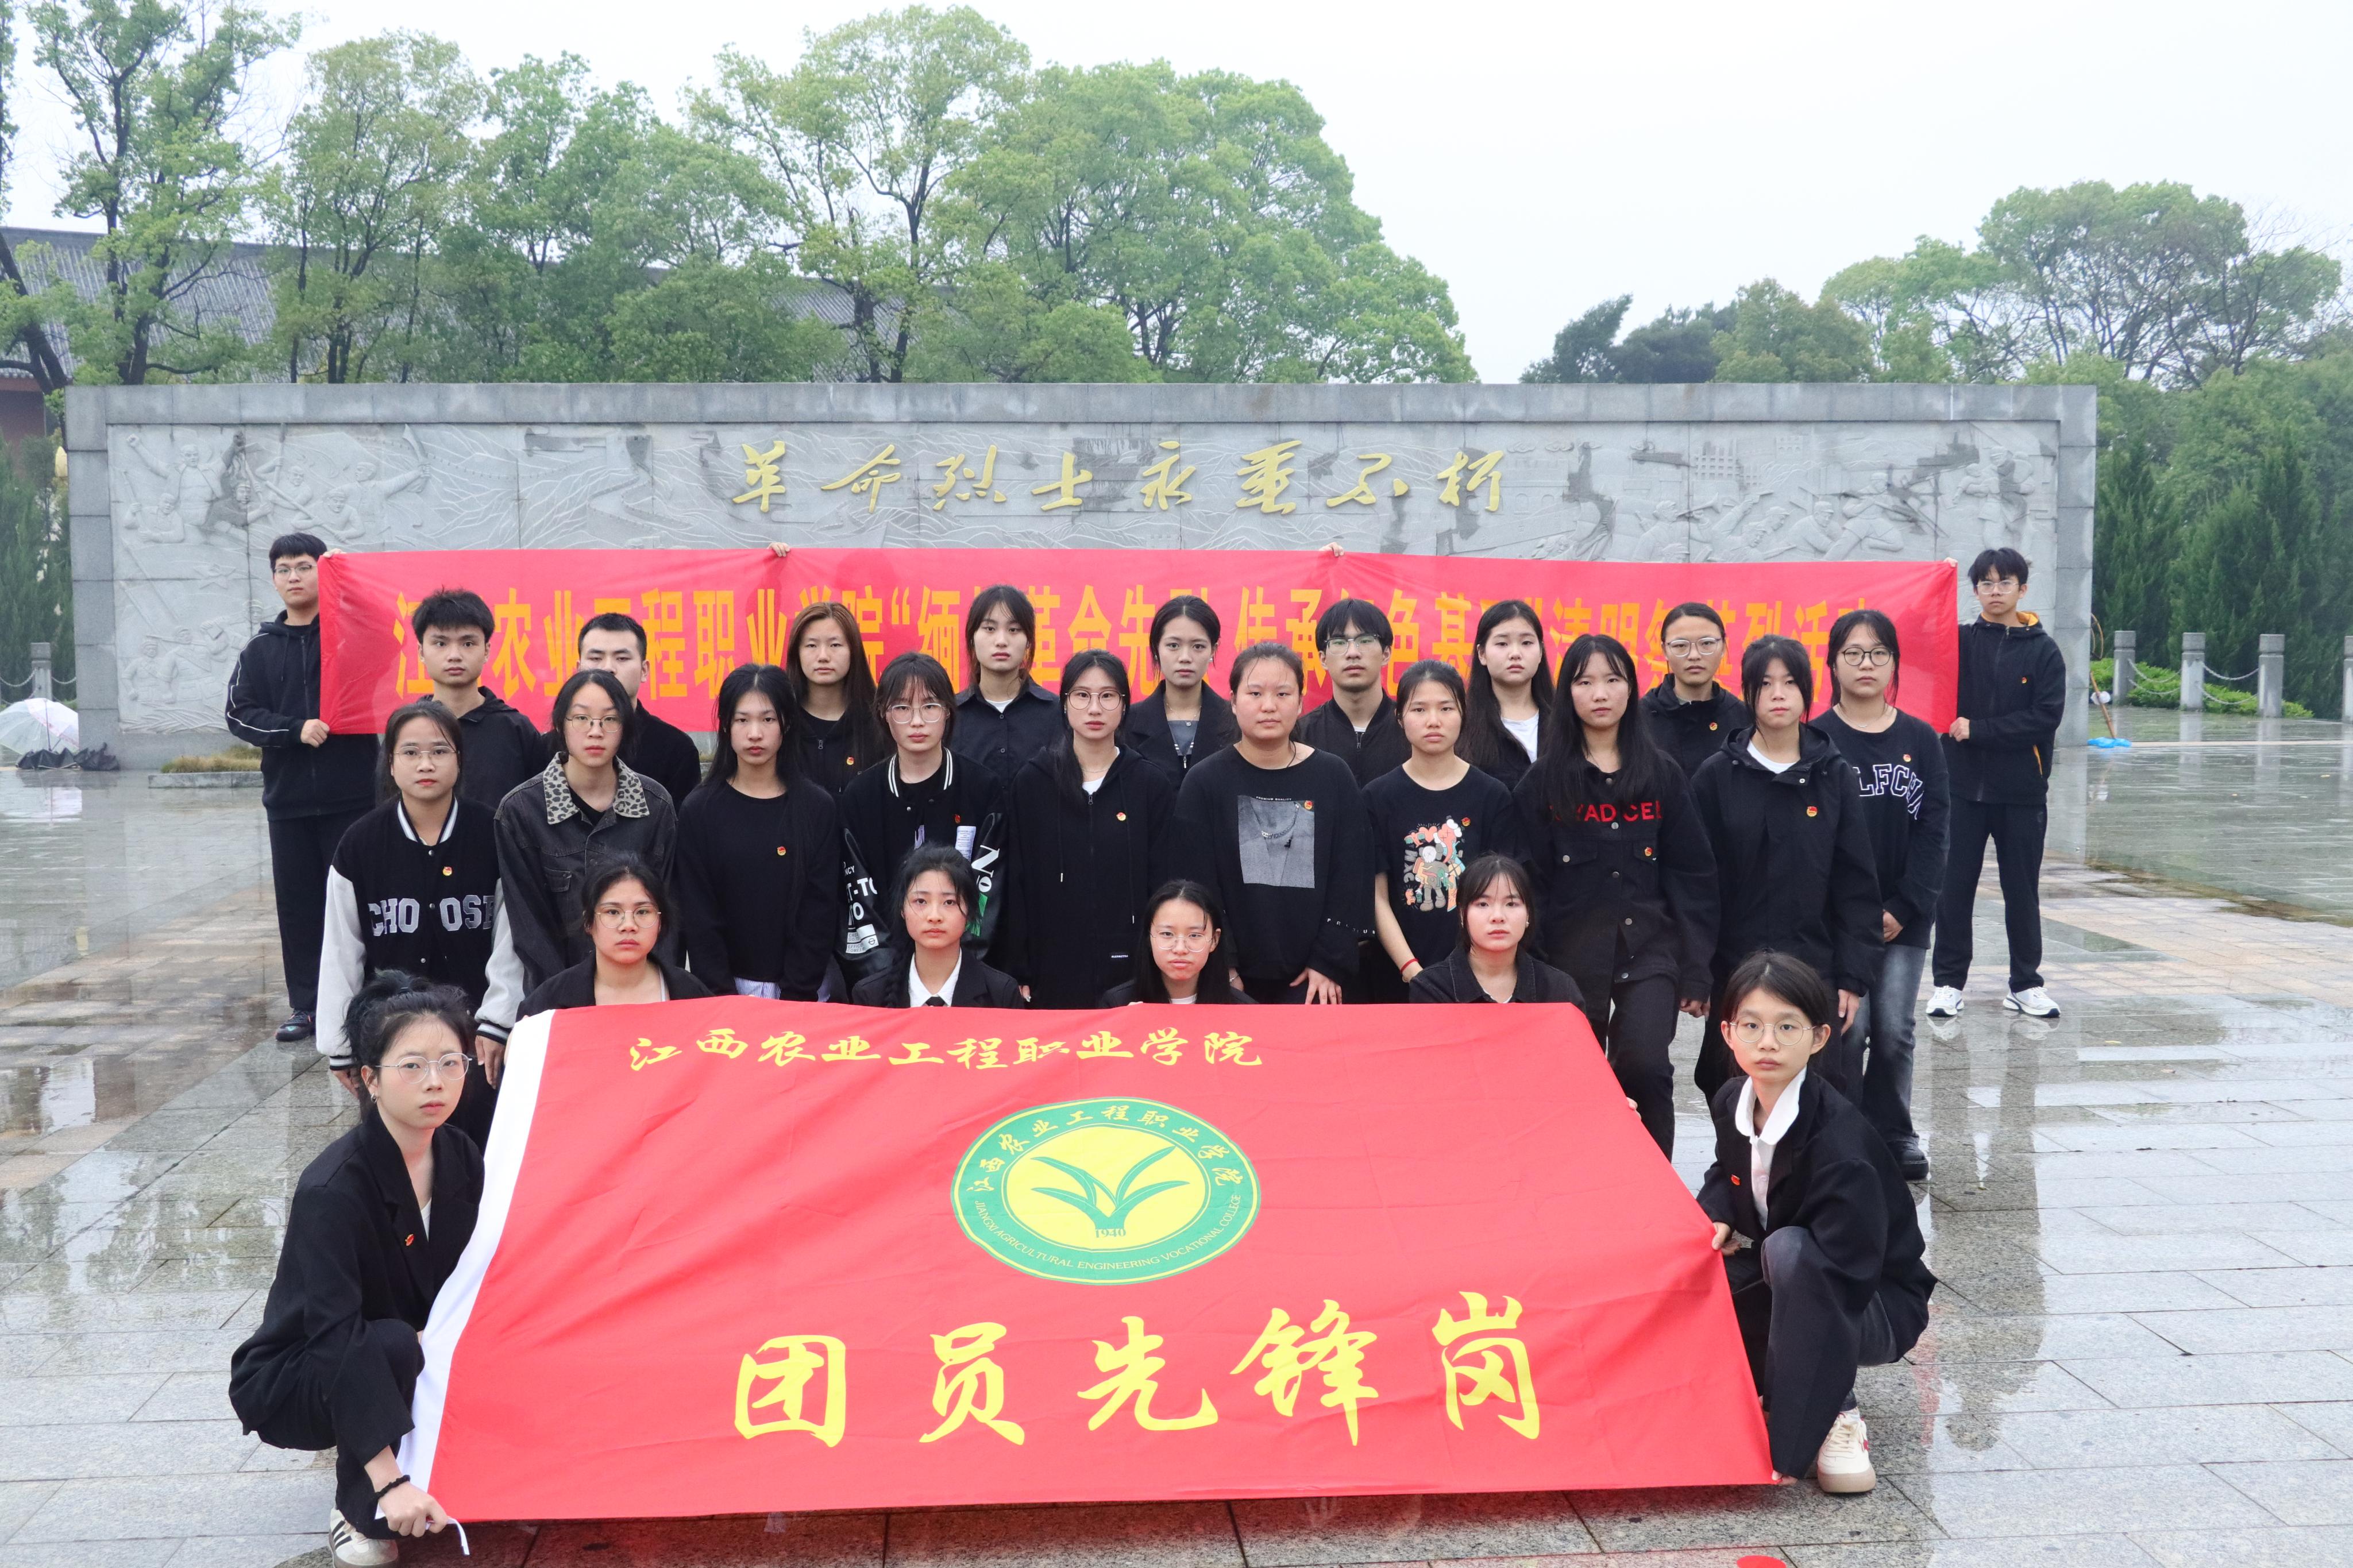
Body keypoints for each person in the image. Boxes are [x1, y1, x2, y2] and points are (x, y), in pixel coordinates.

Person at [230, 974, 481, 1566]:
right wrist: (390, 1482)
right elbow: (337, 1336)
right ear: (369, 1079)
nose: (436, 1082)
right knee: (389, 1343)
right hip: (302, 1370)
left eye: (451, 1063)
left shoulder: (461, 1154)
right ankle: (358, 1505)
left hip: (401, 1342)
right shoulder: (333, 1189)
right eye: (412, 1066)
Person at [1697, 952, 1934, 1494]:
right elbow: (1725, 1170)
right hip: (1794, 1281)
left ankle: (1838, 1414)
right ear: (1728, 1033)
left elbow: (1844, 1276)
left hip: (1871, 1302)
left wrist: (1793, 1426)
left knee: (1788, 1250)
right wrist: (1716, 1214)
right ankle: (1764, 1388)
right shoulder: (1732, 1099)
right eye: (1752, 1026)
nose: (1768, 1043)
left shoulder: (1839, 1140)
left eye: (1787, 1027)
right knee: (1700, 1267)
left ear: (1820, 1038)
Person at [1517, 634, 1718, 1155]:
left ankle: (1654, 1191)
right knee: (1572, 1079)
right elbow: (1528, 883)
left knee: (1645, 1067)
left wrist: (1697, 970)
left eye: (1613, 679)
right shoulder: (1543, 783)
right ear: (1567, 693)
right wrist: (1531, 967)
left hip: (1649, 951)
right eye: (1585, 682)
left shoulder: (1662, 775)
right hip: (1566, 957)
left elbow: (1693, 878)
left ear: (1631, 688)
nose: (1600, 693)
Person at [316, 702, 526, 1146]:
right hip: (391, 1034)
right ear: (390, 763)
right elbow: (340, 948)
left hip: (475, 1039)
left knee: (480, 1150)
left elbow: (511, 938)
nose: (425, 764)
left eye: (439, 751)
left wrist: (498, 1021)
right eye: (410, 752)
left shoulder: (494, 833)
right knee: (402, 1154)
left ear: (460, 760)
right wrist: (341, 1047)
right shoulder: (360, 844)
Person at [1689, 637, 1883, 1102]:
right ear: (1748, 693)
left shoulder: (1833, 774)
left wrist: (1852, 977)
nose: (1778, 694)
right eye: (1765, 684)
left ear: (1808, 691)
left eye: (1790, 683)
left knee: (1821, 1087)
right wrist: (1697, 972)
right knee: (1734, 1084)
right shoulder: (1716, 776)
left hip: (1814, 964)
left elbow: (1855, 882)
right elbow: (1698, 885)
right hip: (1735, 966)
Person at [227, 532, 380, 1044]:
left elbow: (390, 641)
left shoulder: (347, 637)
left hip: (353, 798)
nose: (293, 577)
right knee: (299, 910)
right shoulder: (260, 650)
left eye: (305, 567)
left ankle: (371, 998)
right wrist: (294, 730)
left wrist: (349, 584)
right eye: (284, 569)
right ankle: (308, 1006)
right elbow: (239, 713)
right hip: (289, 804)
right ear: (274, 580)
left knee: (359, 902)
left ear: (323, 572)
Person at [1819, 610, 1950, 1181]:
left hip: (1905, 916)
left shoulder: (1921, 740)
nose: (1865, 664)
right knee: (1849, 1031)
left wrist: (1904, 906)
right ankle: (1844, 1132)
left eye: (1877, 653)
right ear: (1833, 664)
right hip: (1838, 921)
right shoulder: (1817, 739)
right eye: (1853, 653)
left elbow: (1935, 831)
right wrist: (1850, 915)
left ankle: (1894, 1132)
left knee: (1894, 1031)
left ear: (1895, 663)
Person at [1172, 642, 1373, 1003]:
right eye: (1255, 694)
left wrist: (1328, 962)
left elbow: (1352, 876)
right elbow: (1196, 884)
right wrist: (1223, 965)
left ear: (1300, 702)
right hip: (1228, 975)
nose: (1269, 706)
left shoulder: (1333, 777)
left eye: (1282, 694)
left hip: (1316, 978)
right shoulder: (1204, 782)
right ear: (1233, 702)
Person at [1928, 547, 2067, 1021]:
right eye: (1985, 583)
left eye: (2004, 582)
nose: (1995, 591)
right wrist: (1935, 580)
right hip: (1961, 789)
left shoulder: (2044, 651)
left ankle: (2026, 984)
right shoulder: (1960, 642)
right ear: (1975, 590)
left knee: (2022, 891)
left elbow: (2045, 718)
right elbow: (1916, 642)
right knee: (1954, 890)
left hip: (2021, 793)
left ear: (2022, 589)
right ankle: (1948, 984)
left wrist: (1980, 730)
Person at [998, 650, 1176, 1007]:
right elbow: (1015, 883)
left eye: (1108, 696)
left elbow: (1165, 885)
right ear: (1064, 704)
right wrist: (1018, 969)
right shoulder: (1033, 783)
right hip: (1051, 973)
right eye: (1082, 695)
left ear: (1124, 706)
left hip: (1133, 974)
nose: (1095, 709)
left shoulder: (1149, 785)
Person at [497, 669, 680, 991]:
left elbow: (667, 918)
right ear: (560, 725)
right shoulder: (522, 811)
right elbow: (530, 928)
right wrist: (566, 994)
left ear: (625, 727)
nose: (595, 732)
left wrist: (653, 990)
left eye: (609, 720)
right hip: (556, 994)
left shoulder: (656, 806)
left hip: (640, 989)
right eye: (581, 719)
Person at [674, 663, 843, 1001]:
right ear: (726, 725)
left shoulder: (817, 808)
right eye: (742, 720)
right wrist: (723, 997)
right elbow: (699, 917)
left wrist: (796, 994)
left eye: (768, 720)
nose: (755, 734)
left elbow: (820, 911)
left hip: (804, 993)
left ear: (786, 724)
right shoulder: (699, 810)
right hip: (723, 994)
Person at [838, 652, 1007, 980]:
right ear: (884, 713)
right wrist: (891, 977)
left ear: (948, 712)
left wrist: (954, 969)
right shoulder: (861, 796)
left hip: (966, 976)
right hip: (883, 984)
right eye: (902, 708)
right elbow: (857, 898)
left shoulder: (983, 789)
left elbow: (988, 893)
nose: (917, 721)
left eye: (930, 706)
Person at [1364, 661, 1524, 1001]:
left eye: (1446, 708)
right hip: (1397, 975)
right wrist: (1413, 970)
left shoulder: (1493, 796)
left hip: (1478, 976)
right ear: (1400, 717)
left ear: (1464, 714)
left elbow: (1500, 894)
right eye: (1419, 709)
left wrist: (1470, 971)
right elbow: (1376, 896)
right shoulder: (1377, 798)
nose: (1433, 721)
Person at [539, 612, 703, 807]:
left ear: (644, 670)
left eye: (622, 658)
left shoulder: (676, 749)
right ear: (579, 669)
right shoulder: (549, 747)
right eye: (596, 658)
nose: (608, 668)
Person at [516, 862, 711, 1018]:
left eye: (643, 912)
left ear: (660, 922)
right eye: (612, 912)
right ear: (588, 922)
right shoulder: (549, 1002)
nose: (629, 925)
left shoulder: (691, 993)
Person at [408, 588, 542, 809]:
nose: (454, 655)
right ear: (421, 652)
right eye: (441, 643)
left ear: (486, 650)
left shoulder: (516, 729)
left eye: (468, 644)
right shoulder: (408, 729)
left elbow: (539, 805)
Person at [850, 844, 1026, 1007]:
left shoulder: (1002, 994)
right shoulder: (870, 995)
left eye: (949, 902)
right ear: (902, 909)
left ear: (970, 911)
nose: (934, 916)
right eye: (921, 901)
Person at [1407, 853, 1586, 1005]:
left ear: (1529, 915)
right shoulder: (1432, 988)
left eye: (1511, 904)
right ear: (1462, 914)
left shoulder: (1560, 991)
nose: (1498, 916)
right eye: (1483, 904)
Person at [1120, 595, 1237, 783]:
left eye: (1198, 646)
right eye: (1173, 645)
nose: (1185, 657)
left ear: (1213, 650)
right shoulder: (1126, 723)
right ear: (1156, 649)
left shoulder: (1235, 721)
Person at [950, 584, 1061, 783]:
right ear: (972, 638)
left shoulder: (1057, 713)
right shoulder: (950, 715)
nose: (1001, 641)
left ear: (1029, 641)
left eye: (1014, 630)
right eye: (990, 629)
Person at [1296, 598, 1411, 784]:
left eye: (1365, 640)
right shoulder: (1301, 736)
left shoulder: (1412, 729)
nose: (1352, 653)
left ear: (1386, 654)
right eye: (1339, 642)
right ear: (1323, 659)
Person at [785, 601, 887, 800]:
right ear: (797, 653)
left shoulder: (879, 723)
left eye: (835, 645)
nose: (823, 656)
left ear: (853, 651)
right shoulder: (780, 722)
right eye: (812, 645)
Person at [1099, 880, 1255, 1005]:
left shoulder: (1242, 1009)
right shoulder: (1117, 1004)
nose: (1180, 949)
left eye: (1194, 935)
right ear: (1149, 937)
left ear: (1214, 940)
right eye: (1167, 934)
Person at [1641, 601, 1750, 780]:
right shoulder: (1638, 719)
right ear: (1664, 650)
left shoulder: (1744, 719)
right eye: (1680, 646)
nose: (1694, 655)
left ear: (1723, 646)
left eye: (1706, 643)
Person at [1457, 600, 1553, 790]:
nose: (1515, 654)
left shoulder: (1565, 718)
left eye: (1527, 643)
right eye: (1502, 643)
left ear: (1541, 652)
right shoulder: (1462, 722)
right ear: (1482, 654)